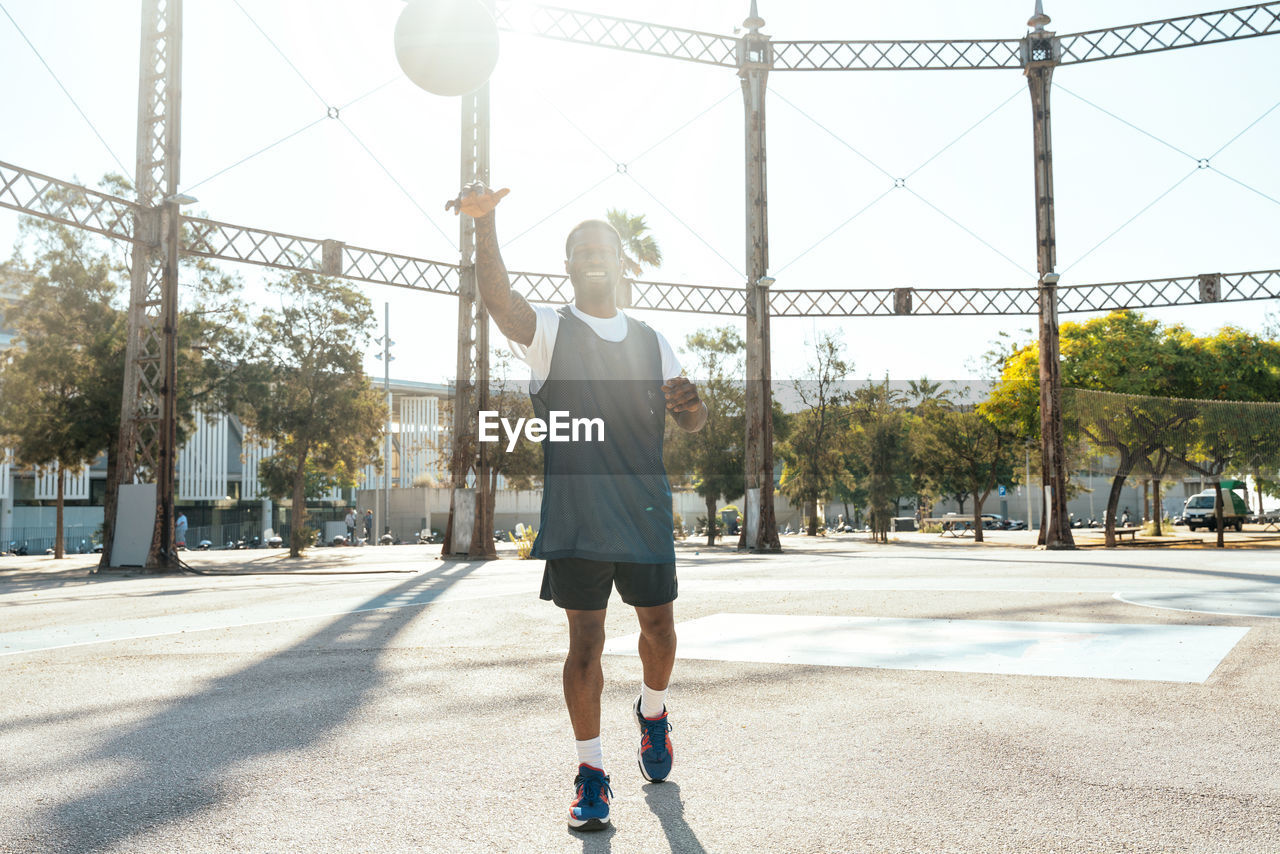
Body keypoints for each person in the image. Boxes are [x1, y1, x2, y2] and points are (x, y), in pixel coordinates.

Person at [449, 182, 707, 832]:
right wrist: (486, 224)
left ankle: (653, 713)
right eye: (581, 250)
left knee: (659, 633)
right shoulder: (551, 333)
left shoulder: (653, 342)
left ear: (623, 265)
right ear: (568, 266)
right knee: (585, 644)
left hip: (644, 511)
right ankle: (592, 774)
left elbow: (695, 421)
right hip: (579, 514)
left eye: (604, 248)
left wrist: (692, 406)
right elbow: (501, 304)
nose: (594, 256)